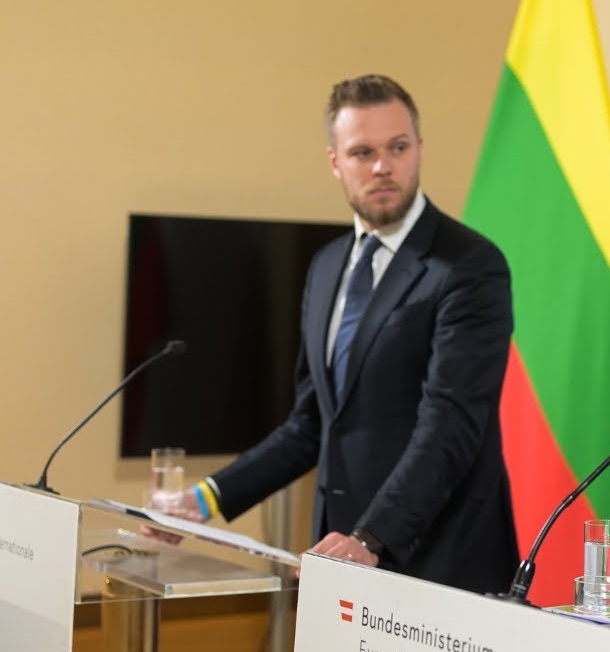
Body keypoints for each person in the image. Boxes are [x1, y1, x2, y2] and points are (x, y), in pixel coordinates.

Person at [177, 74, 519, 594]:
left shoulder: (469, 266)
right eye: (363, 152)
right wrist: (205, 499)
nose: (384, 166)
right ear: (335, 162)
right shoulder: (326, 266)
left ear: (419, 150)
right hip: (342, 558)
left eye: (398, 148)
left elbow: (450, 424)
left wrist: (372, 536)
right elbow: (313, 423)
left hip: (439, 561)